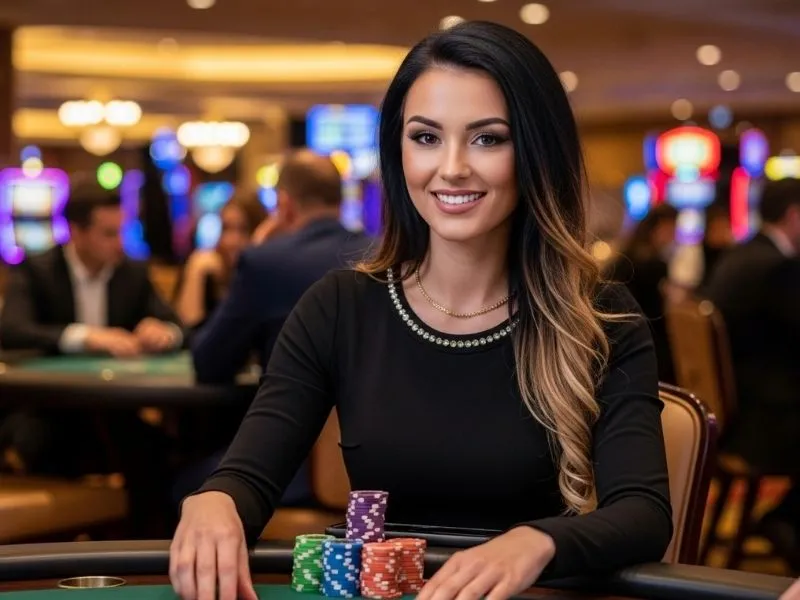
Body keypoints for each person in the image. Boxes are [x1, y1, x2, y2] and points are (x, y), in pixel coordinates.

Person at [169, 21, 672, 600]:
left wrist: (537, 542)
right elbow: (250, 475)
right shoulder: (340, 306)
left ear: (536, 151)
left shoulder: (600, 317)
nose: (452, 167)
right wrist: (215, 499)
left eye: (488, 138)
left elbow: (643, 513)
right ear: (397, 151)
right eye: (426, 137)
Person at [190, 149, 371, 384]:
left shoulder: (264, 263)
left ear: (283, 203)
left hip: (296, 418)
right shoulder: (384, 256)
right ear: (342, 198)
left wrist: (257, 248)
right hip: (379, 419)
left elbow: (210, 363)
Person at [705, 177, 800, 570]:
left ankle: (786, 520)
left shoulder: (739, 256)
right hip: (764, 423)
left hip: (735, 414)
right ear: (794, 215)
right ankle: (787, 522)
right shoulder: (777, 267)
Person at [0, 180, 183, 355]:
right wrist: (85, 337)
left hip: (119, 382)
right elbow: (11, 331)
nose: (120, 244)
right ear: (76, 233)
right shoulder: (36, 269)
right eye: (109, 234)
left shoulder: (132, 271)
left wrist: (165, 333)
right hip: (53, 384)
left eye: (121, 232)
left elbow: (181, 327)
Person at [605, 203, 678, 383]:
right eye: (671, 229)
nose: (674, 235)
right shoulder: (652, 265)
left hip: (616, 342)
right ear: (657, 228)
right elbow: (658, 315)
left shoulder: (627, 256)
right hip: (642, 342)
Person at [174, 191, 267, 330]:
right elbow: (187, 332)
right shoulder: (209, 269)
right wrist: (195, 272)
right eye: (226, 229)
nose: (232, 240)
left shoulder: (268, 277)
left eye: (243, 230)